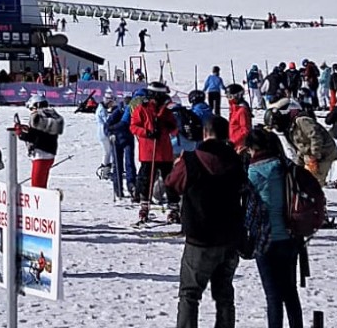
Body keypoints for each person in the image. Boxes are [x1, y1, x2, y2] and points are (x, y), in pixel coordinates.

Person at [165, 114, 244, 328]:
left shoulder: (192, 159)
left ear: (205, 133)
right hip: (230, 236)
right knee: (224, 293)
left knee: (190, 294)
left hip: (200, 236)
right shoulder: (236, 160)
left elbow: (171, 185)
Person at [246, 127, 303, 328]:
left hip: (265, 239)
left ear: (253, 148)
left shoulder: (254, 171)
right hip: (291, 237)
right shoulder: (286, 165)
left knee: (273, 296)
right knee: (290, 292)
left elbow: (249, 208)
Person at [130, 81, 179, 224]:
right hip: (148, 152)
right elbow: (133, 127)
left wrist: (170, 127)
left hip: (164, 153)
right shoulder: (142, 109)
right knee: (146, 180)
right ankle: (144, 204)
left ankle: (173, 207)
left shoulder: (167, 111)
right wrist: (147, 132)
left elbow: (175, 129)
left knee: (169, 181)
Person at [16, 94, 63, 189]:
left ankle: (44, 203)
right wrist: (28, 130)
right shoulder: (51, 115)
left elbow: (34, 136)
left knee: (37, 188)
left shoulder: (38, 116)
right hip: (48, 153)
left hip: (41, 155)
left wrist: (21, 133)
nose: (32, 111)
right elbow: (41, 133)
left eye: (32, 108)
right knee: (41, 186)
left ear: (37, 106)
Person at [105, 91, 139, 200]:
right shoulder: (117, 112)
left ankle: (131, 186)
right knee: (118, 165)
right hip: (117, 141)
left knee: (129, 163)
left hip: (128, 139)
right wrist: (110, 134)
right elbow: (107, 126)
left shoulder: (133, 111)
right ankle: (118, 189)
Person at [226, 84, 251, 151]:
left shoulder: (242, 110)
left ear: (237, 96)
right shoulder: (233, 109)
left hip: (240, 146)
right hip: (234, 145)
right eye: (227, 97)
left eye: (230, 96)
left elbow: (245, 130)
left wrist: (233, 141)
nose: (228, 99)